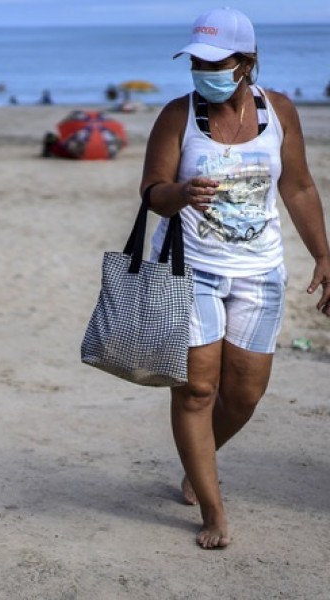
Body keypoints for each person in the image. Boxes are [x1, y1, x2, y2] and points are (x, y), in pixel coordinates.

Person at [140, 7, 330, 549]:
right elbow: (151, 191)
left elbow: (297, 187)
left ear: (246, 62)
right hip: (191, 269)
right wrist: (179, 195)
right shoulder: (178, 115)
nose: (202, 70)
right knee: (198, 389)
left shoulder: (281, 112)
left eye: (213, 61)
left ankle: (197, 463)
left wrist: (323, 254)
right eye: (196, 61)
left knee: (244, 394)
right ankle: (213, 509)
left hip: (260, 272)